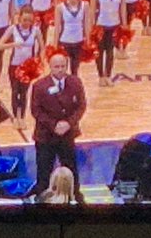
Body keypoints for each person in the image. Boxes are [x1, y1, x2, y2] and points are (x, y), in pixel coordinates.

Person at [30, 54, 86, 200]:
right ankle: (42, 200)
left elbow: (81, 106)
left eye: (63, 66)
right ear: (50, 67)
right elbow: (36, 111)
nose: (60, 70)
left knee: (71, 169)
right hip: (45, 137)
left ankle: (75, 197)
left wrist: (69, 123)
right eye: (57, 67)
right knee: (44, 172)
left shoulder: (75, 82)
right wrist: (53, 125)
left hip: (67, 135)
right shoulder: (39, 86)